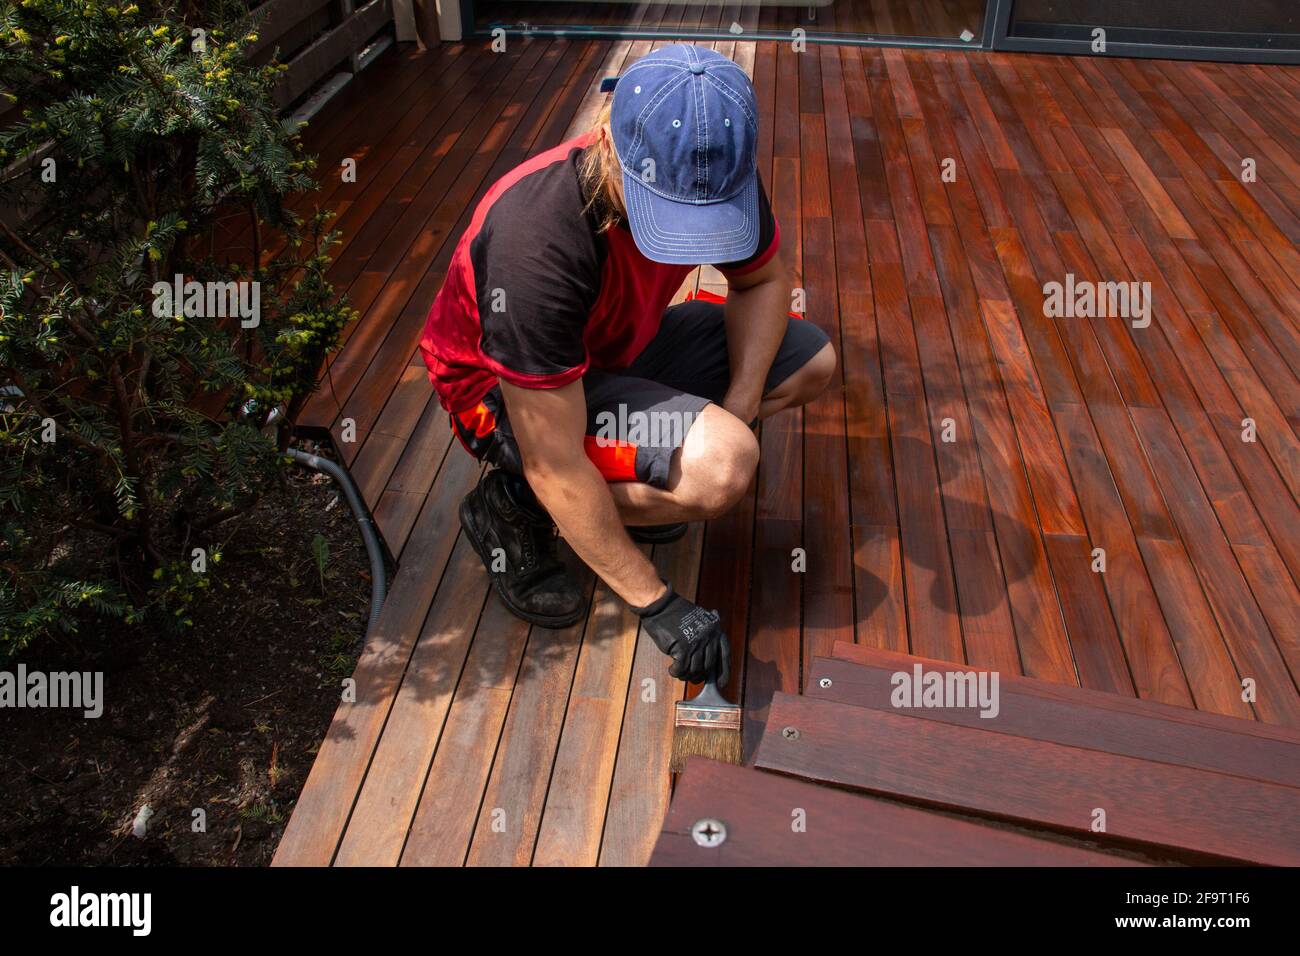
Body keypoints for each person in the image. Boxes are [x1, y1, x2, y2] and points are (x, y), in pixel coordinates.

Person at [419, 44, 835, 688]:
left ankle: (643, 465)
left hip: (620, 347)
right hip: (503, 396)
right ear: (607, 139)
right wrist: (660, 605)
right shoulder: (536, 243)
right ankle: (512, 504)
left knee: (809, 364)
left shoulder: (714, 172)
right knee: (721, 470)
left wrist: (737, 408)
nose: (686, 234)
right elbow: (553, 457)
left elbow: (764, 279)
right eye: (664, 212)